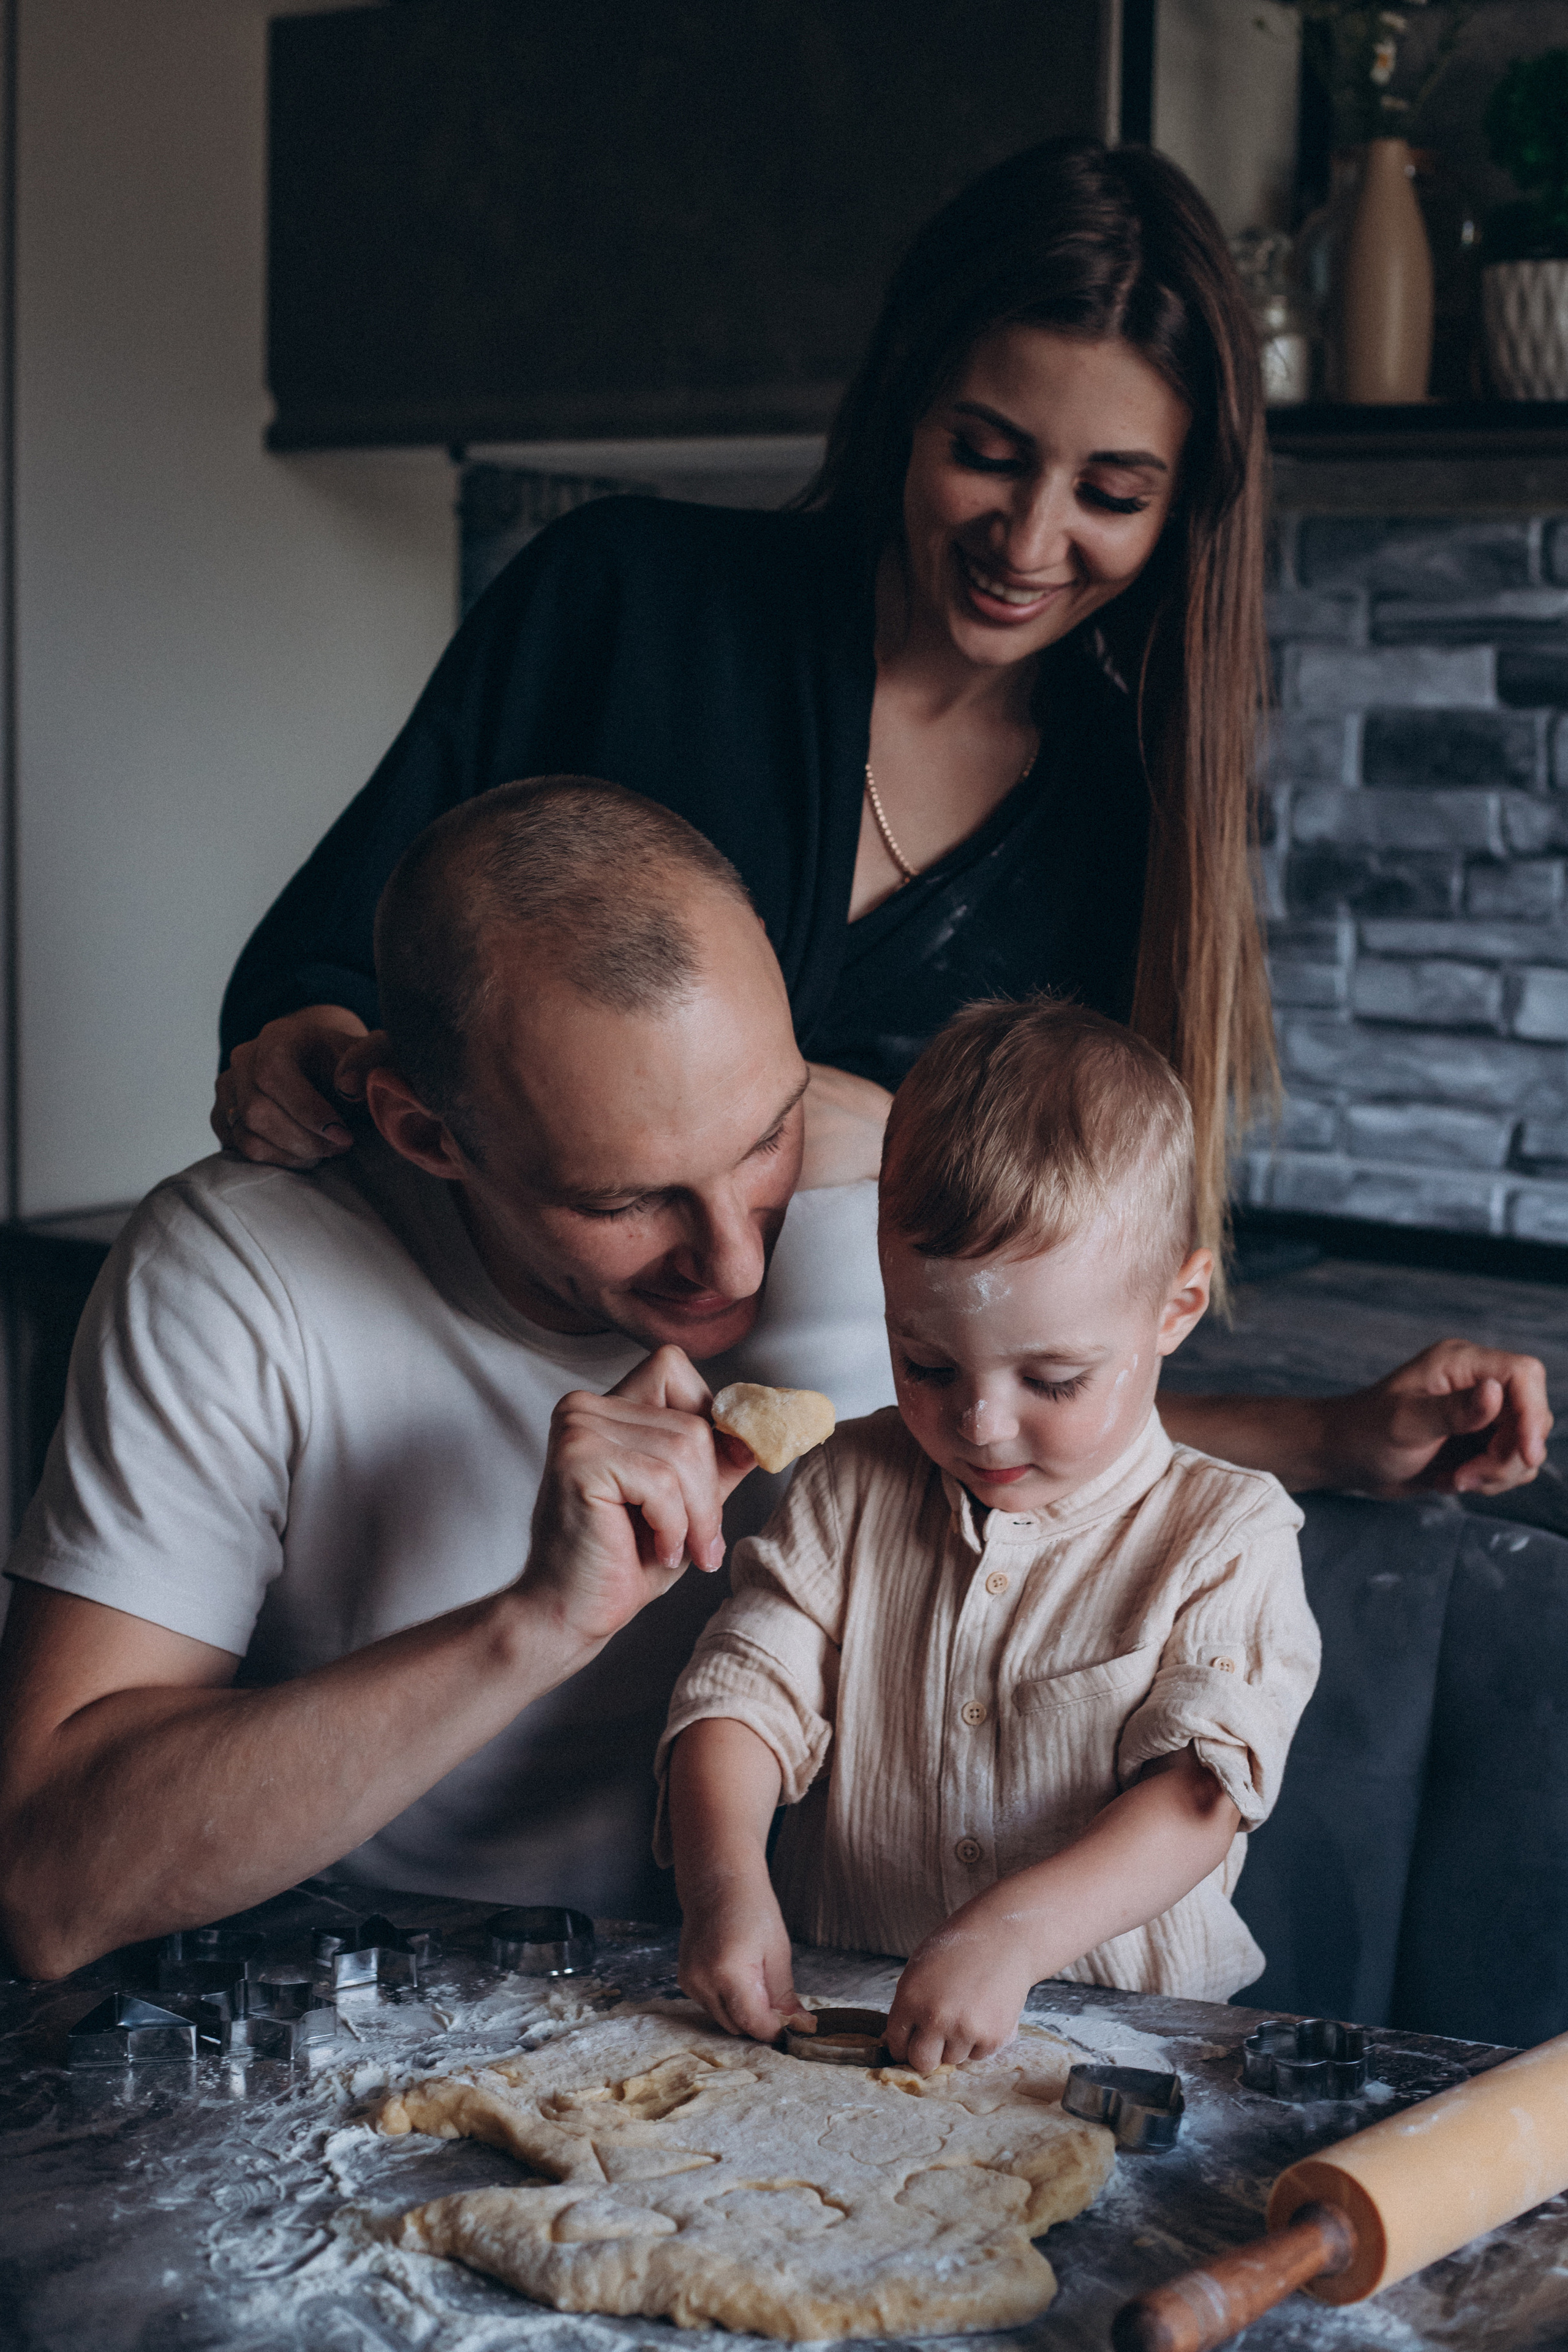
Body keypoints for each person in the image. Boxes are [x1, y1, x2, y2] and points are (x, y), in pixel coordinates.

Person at [211, 136, 1550, 1501]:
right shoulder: (620, 601)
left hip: (822, 1560)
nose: (1028, 543)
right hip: (422, 1458)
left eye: (1108, 495)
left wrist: (1330, 1438)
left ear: (1182, 512)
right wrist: (302, 1055)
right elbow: (314, 985)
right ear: (905, 403)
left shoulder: (1117, 825)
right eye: (986, 454)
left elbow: (1033, 1378)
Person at [0, 780, 825, 1981]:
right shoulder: (239, 1272)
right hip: (369, 2008)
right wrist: (534, 1625)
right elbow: (48, 1886)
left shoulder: (886, 1199)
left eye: (766, 1138)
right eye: (621, 1200)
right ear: (426, 1133)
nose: (734, 1258)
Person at [664, 1001, 1319, 2075]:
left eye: (1052, 1379)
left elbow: (1201, 1795)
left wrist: (1010, 1936)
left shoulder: (1227, 1536)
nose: (980, 1422)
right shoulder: (848, 1489)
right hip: (849, 2023)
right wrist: (725, 1884)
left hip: (1127, 2054)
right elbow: (741, 1700)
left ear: (1177, 1305)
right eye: (925, 1365)